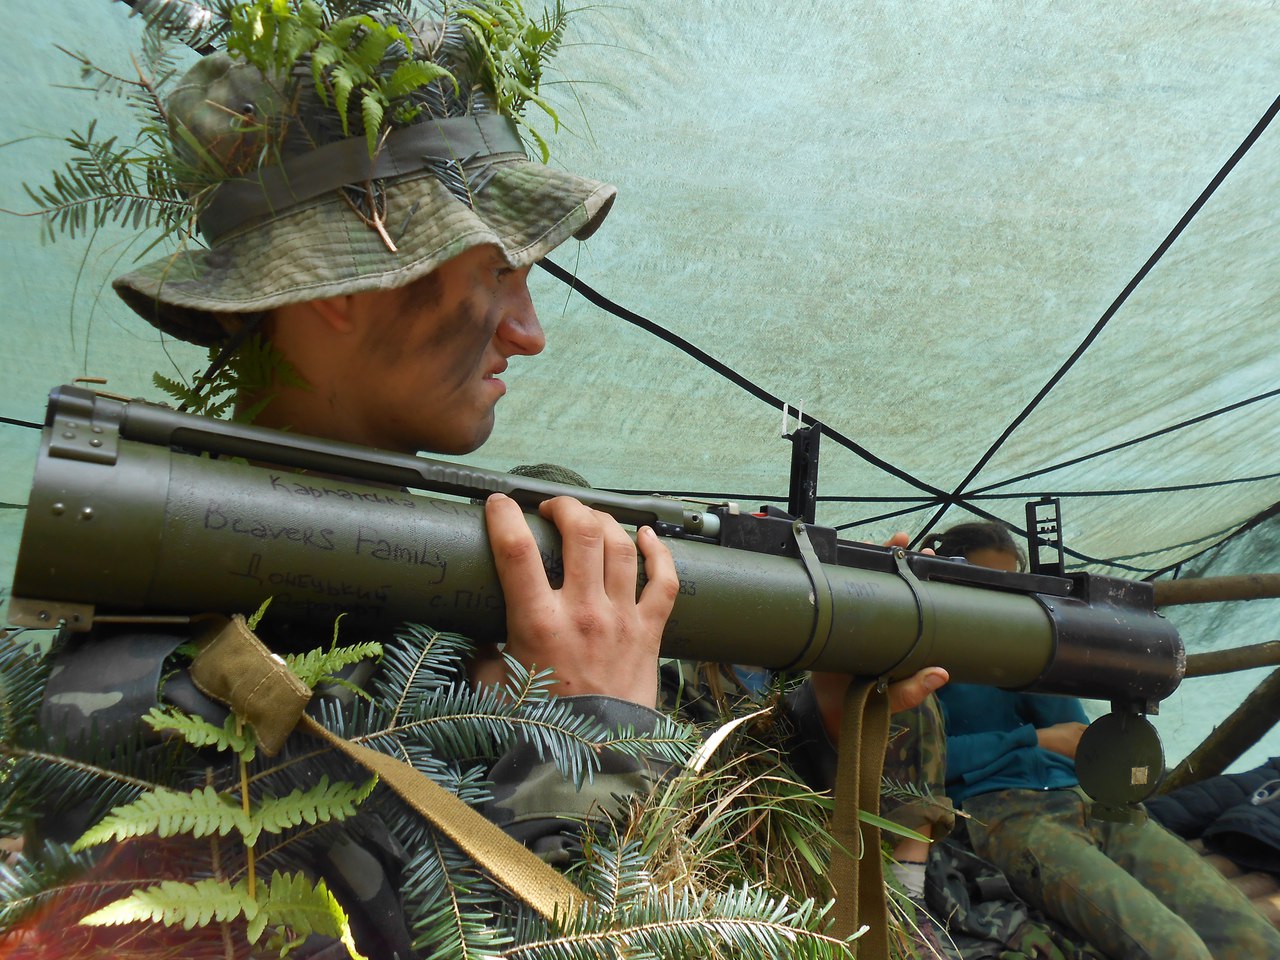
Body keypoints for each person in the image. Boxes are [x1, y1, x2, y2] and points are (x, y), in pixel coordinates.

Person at [5, 4, 945, 957]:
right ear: (344, 280)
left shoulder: (426, 590)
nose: (529, 332)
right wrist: (587, 740)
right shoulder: (155, 683)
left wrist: (814, 726)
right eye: (497, 271)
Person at [932, 521, 1280, 960]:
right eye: (985, 583)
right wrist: (1033, 739)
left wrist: (1044, 657)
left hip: (1088, 802)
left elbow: (1077, 739)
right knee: (1173, 948)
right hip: (1002, 813)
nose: (1000, 598)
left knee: (1249, 937)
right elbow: (927, 763)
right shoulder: (923, 647)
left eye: (1012, 586)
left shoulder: (1028, 639)